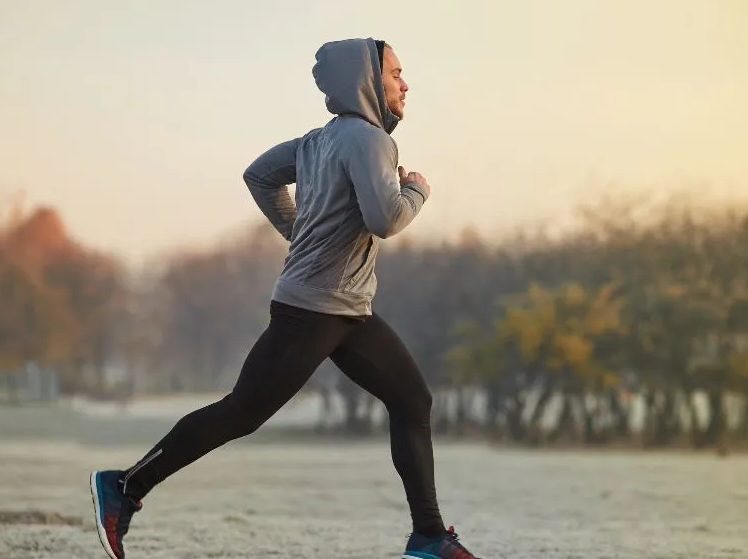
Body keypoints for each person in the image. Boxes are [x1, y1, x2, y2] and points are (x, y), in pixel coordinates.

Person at [88, 37, 480, 559]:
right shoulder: (371, 141)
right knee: (241, 412)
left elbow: (259, 175)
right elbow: (385, 219)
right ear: (366, 81)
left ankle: (429, 535)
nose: (405, 84)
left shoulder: (316, 142)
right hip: (314, 309)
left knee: (412, 400)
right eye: (395, 74)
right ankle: (124, 487)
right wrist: (416, 191)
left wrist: (299, 231)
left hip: (348, 310)